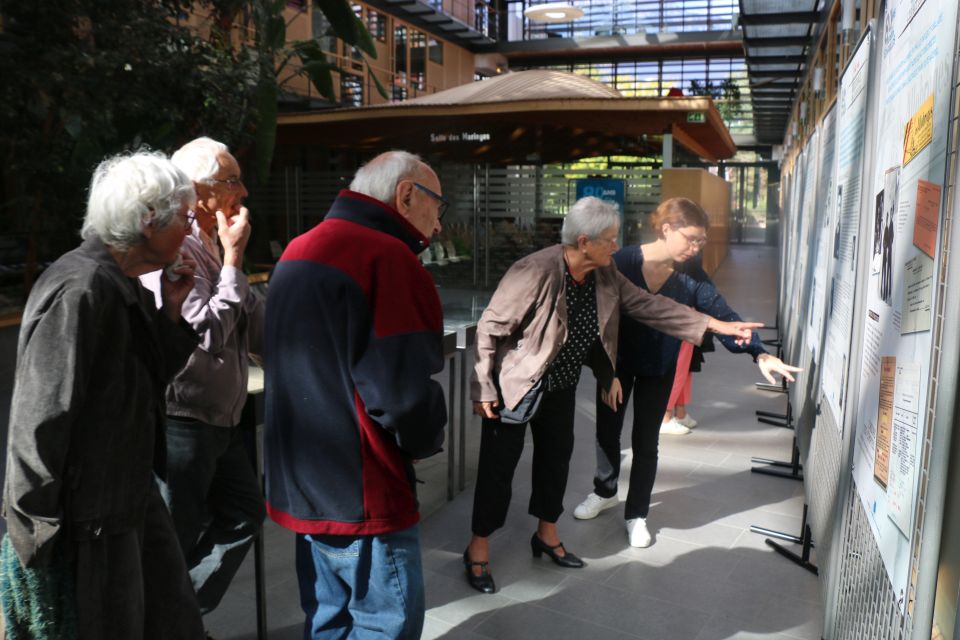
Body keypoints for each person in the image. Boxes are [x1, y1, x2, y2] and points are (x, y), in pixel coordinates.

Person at [464, 196, 762, 594]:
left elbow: (651, 307)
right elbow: (490, 328)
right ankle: (478, 549)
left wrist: (717, 327)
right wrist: (483, 384)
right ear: (584, 242)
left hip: (561, 387)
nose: (616, 247)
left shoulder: (605, 275)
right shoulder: (535, 270)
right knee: (498, 472)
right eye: (609, 240)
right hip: (518, 386)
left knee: (555, 465)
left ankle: (546, 536)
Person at [2, 150, 206, 638]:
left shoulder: (122, 284)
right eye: (187, 216)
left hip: (126, 502)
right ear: (148, 217)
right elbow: (39, 418)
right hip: (88, 523)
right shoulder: (81, 288)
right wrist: (35, 540)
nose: (193, 230)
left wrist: (172, 312)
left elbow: (143, 378)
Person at [264, 150, 448, 639]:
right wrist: (428, 434)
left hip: (304, 483)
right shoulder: (385, 256)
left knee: (328, 619)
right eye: (438, 206)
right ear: (406, 194)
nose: (439, 224)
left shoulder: (299, 248)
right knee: (384, 624)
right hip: (363, 488)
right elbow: (403, 397)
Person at [573, 197, 800, 548]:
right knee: (608, 430)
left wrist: (758, 353)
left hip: (658, 365)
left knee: (646, 441)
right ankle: (605, 491)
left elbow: (724, 317)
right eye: (690, 239)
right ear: (666, 229)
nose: (694, 248)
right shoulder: (621, 261)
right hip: (616, 364)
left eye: (701, 242)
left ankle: (637, 515)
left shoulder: (691, 275)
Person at [140, 137, 266, 615]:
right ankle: (165, 622)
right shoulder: (176, 247)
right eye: (231, 181)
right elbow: (207, 333)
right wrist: (233, 262)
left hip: (222, 417)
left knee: (244, 514)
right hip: (184, 421)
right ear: (196, 190)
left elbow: (247, 319)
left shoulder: (213, 237)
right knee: (175, 536)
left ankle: (180, 617)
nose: (243, 190)